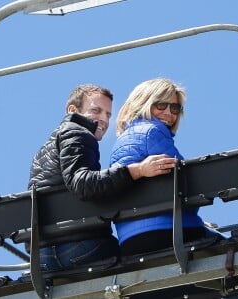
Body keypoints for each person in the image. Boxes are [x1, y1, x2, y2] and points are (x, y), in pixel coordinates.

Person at [110, 78, 238, 299]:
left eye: (175, 108)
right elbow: (184, 186)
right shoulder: (153, 132)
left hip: (131, 239)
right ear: (144, 103)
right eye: (161, 105)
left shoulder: (120, 143)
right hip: (166, 233)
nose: (169, 113)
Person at [28, 84, 177, 272]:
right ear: (73, 110)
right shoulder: (78, 133)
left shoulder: (46, 148)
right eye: (96, 111)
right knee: (148, 259)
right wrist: (137, 170)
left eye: (108, 114)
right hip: (79, 246)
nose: (104, 119)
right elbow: (82, 183)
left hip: (42, 257)